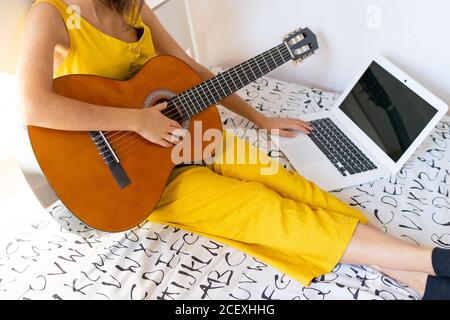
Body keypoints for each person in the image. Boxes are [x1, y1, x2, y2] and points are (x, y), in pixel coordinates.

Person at [16, 0, 450, 299]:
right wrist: (135, 120)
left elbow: (191, 70)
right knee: (263, 211)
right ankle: (435, 261)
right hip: (136, 176)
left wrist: (258, 119)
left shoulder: (131, 5)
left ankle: (421, 281)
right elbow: (35, 105)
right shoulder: (49, 15)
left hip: (192, 139)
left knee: (290, 186)